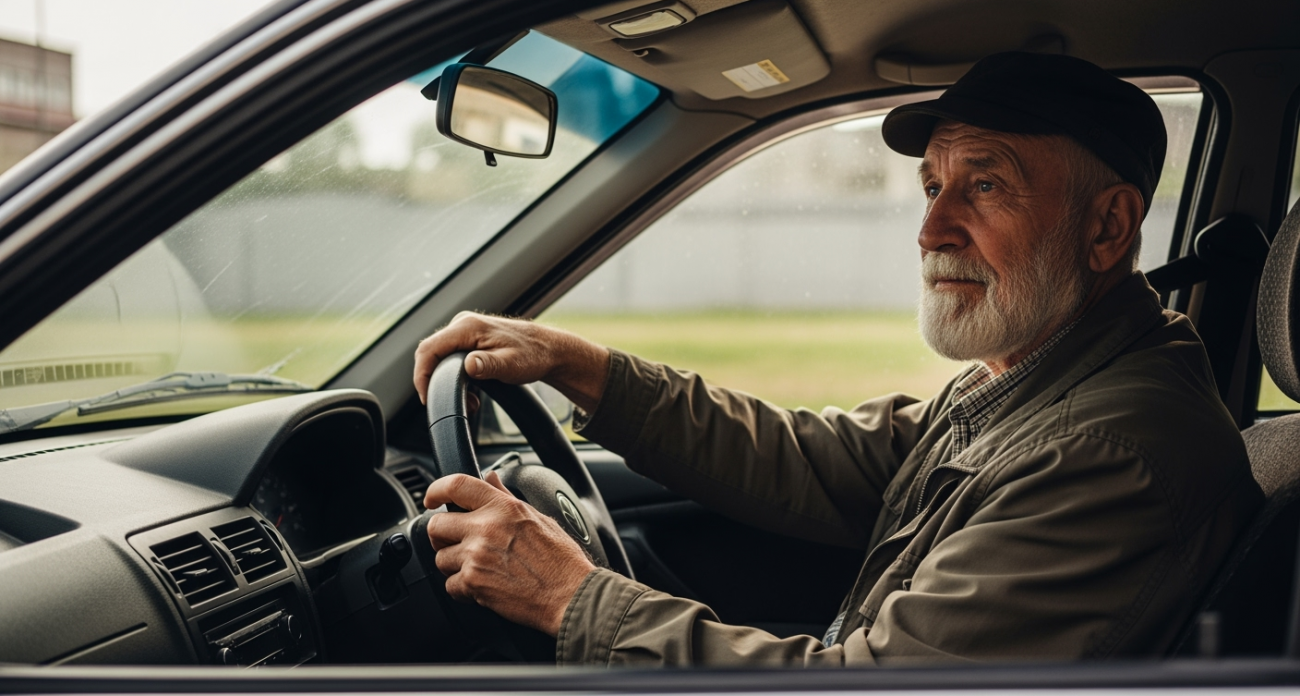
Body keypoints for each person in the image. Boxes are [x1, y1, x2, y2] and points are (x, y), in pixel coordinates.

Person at [410, 52, 1262, 666]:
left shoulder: (1112, 450)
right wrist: (582, 365)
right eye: (934, 186)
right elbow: (821, 460)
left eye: (987, 185)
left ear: (1107, 228)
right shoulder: (1039, 380)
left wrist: (574, 598)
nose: (931, 230)